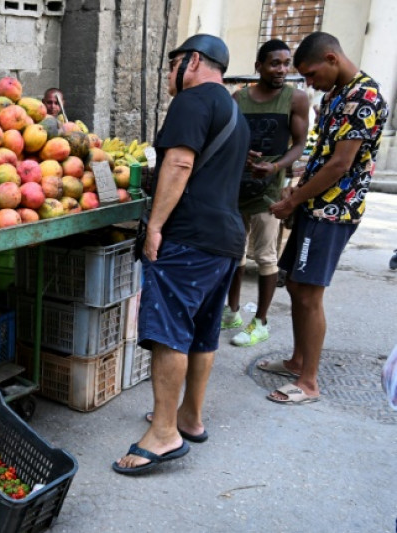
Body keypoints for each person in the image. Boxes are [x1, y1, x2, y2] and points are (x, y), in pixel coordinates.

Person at [113, 34, 249, 475]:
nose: (169, 75)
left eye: (172, 64)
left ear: (191, 61)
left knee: (170, 329)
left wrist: (154, 226)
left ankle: (164, 434)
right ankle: (189, 417)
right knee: (202, 332)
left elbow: (179, 163)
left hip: (189, 238)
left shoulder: (192, 101)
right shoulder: (234, 112)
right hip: (225, 239)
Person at [263, 32, 389, 404]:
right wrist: (297, 191)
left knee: (310, 293)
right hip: (313, 203)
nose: (309, 84)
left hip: (334, 210)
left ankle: (309, 383)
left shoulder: (364, 97)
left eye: (312, 74)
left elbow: (339, 164)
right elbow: (322, 152)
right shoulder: (337, 94)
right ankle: (298, 361)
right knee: (298, 286)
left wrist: (293, 200)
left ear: (332, 58)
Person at [221, 39, 309, 347]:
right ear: (259, 66)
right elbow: (227, 139)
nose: (282, 69)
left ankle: (260, 321)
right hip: (235, 190)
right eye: (275, 63)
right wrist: (241, 153)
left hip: (268, 193)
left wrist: (276, 167)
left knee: (266, 257)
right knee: (235, 253)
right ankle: (232, 312)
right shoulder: (238, 99)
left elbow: (299, 144)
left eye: (287, 63)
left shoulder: (295, 99)